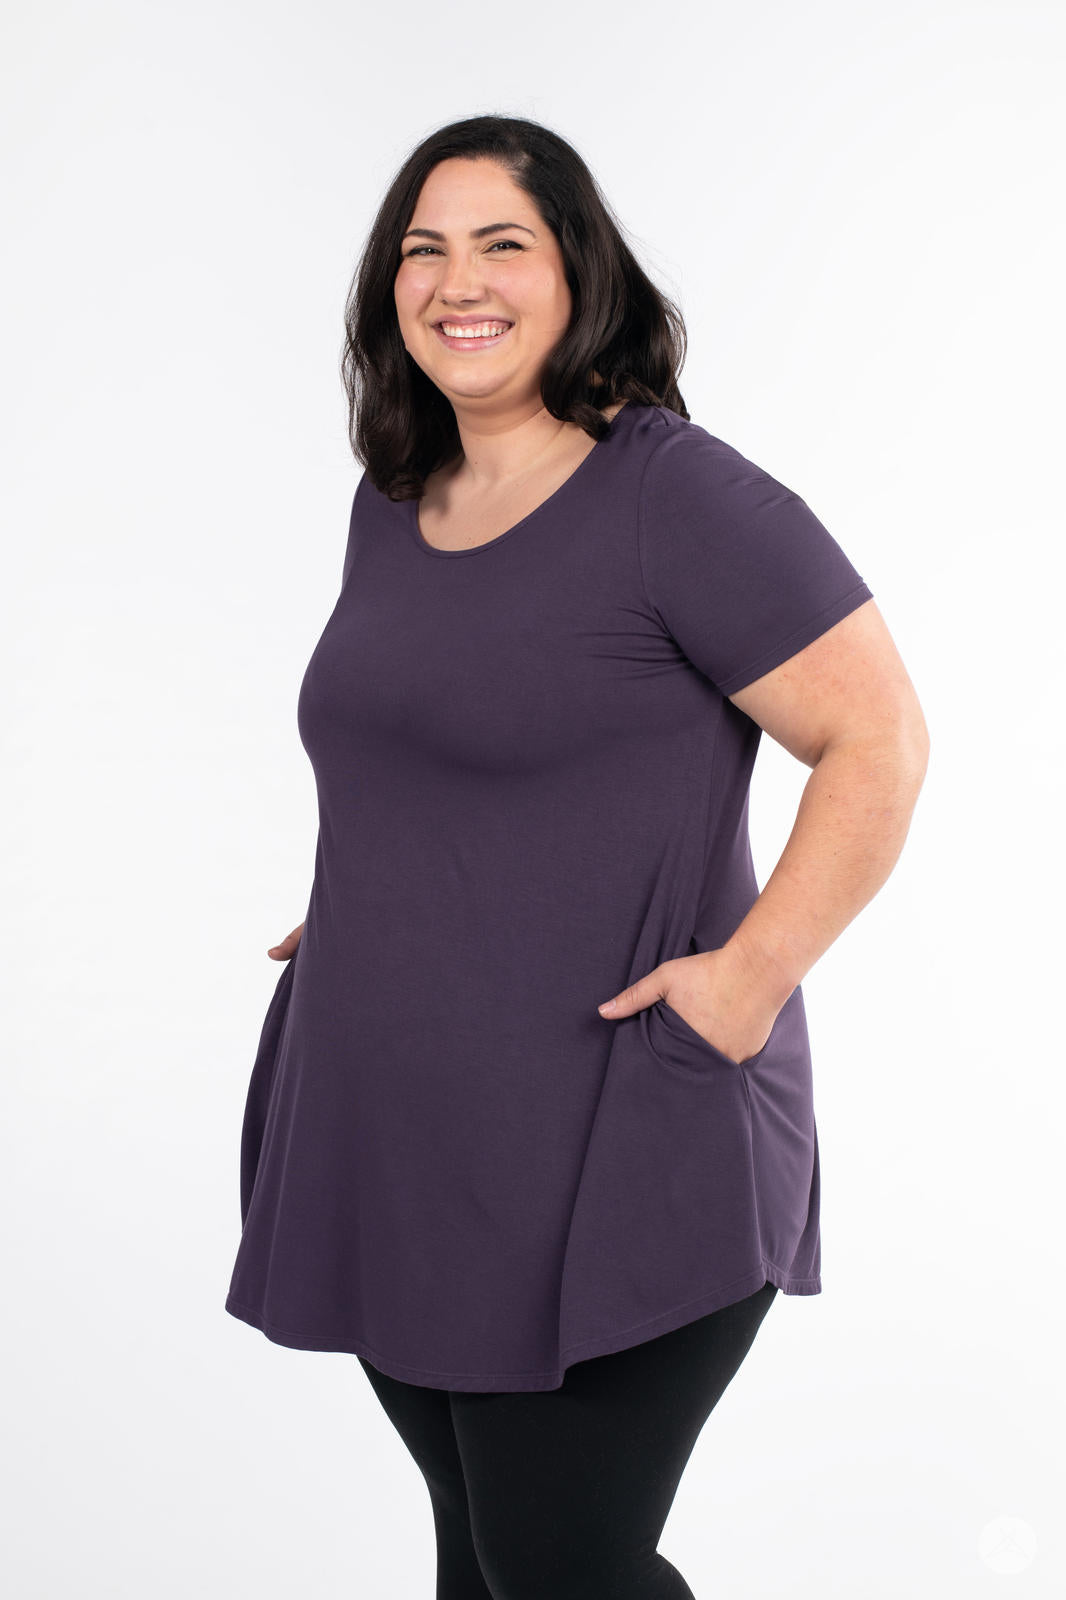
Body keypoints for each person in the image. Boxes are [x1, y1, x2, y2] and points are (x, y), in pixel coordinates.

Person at [224, 115, 929, 1598]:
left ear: (578, 273)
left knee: (558, 1566)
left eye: (504, 244)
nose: (458, 283)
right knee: (484, 1563)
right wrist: (376, 896)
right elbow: (435, 735)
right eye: (424, 250)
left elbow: (878, 740)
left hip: (619, 1138)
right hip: (405, 1137)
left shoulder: (676, 497)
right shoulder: (396, 501)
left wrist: (750, 977)